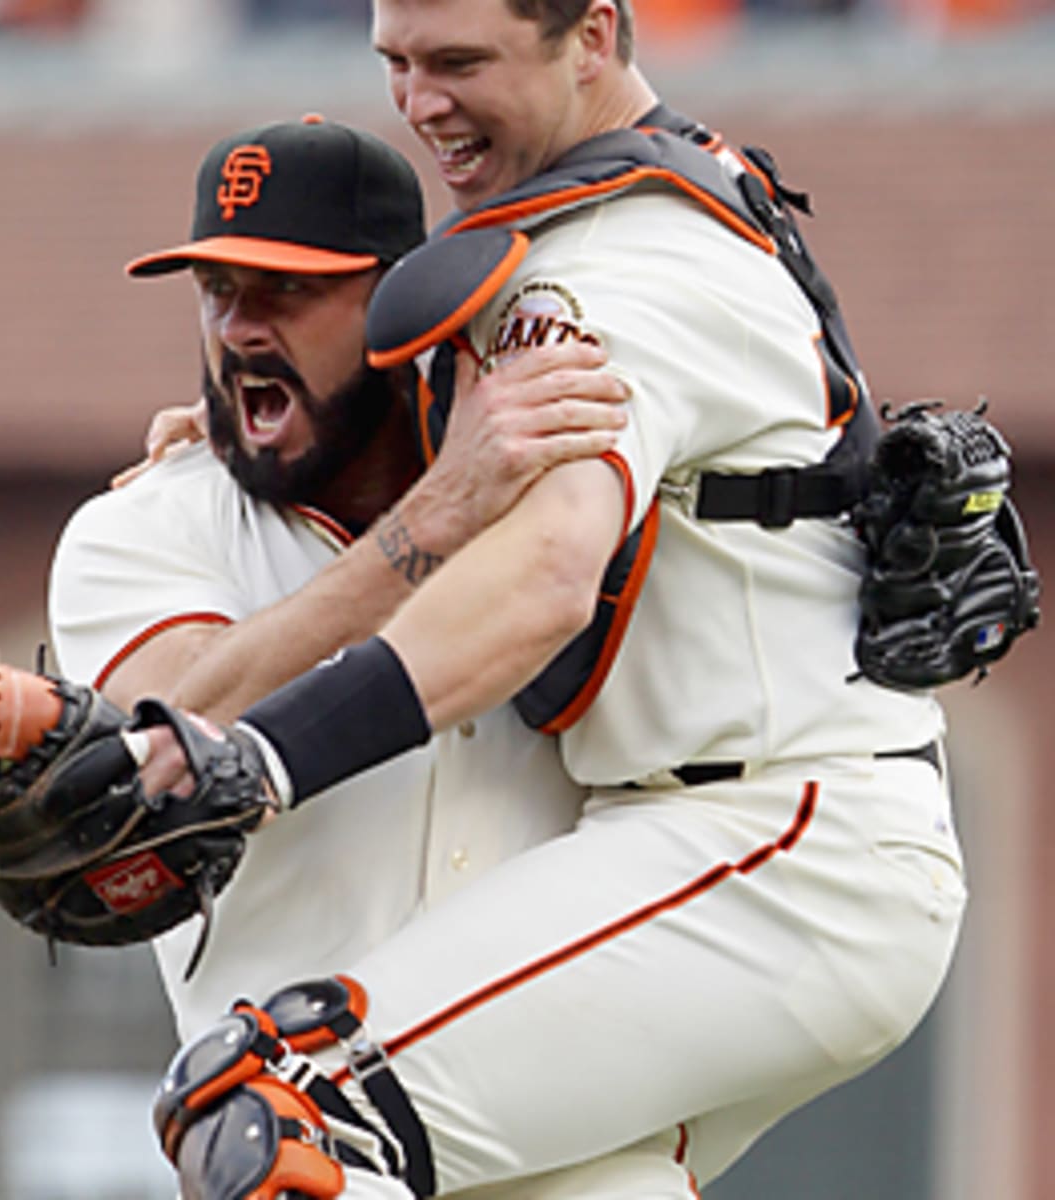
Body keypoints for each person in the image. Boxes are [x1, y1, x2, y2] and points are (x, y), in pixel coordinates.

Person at [123, 3, 967, 1197]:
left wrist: (266, 756)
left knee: (273, 1110)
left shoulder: (633, 261)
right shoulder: (615, 213)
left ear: (594, 37)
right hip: (712, 844)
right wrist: (245, 430)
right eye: (398, 64)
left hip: (776, 848)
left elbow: (546, 574)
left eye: (461, 62)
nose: (420, 103)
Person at [47, 115, 630, 1041]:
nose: (239, 327)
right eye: (217, 291)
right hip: (295, 1130)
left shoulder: (541, 488)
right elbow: (180, 744)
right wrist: (434, 520)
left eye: (287, 290)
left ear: (401, 305)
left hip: (559, 1114)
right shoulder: (141, 526)